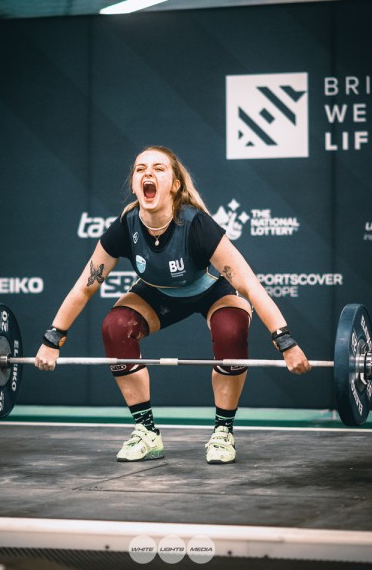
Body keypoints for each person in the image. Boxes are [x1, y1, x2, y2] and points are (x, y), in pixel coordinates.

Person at [35, 145, 312, 464]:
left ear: (175, 184)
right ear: (135, 182)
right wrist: (52, 339)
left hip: (209, 291)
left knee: (231, 329)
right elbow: (84, 288)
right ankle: (147, 432)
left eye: (158, 168)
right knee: (115, 326)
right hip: (155, 293)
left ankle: (223, 432)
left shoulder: (197, 226)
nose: (147, 173)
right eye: (140, 169)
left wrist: (286, 341)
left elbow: (248, 284)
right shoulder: (126, 227)